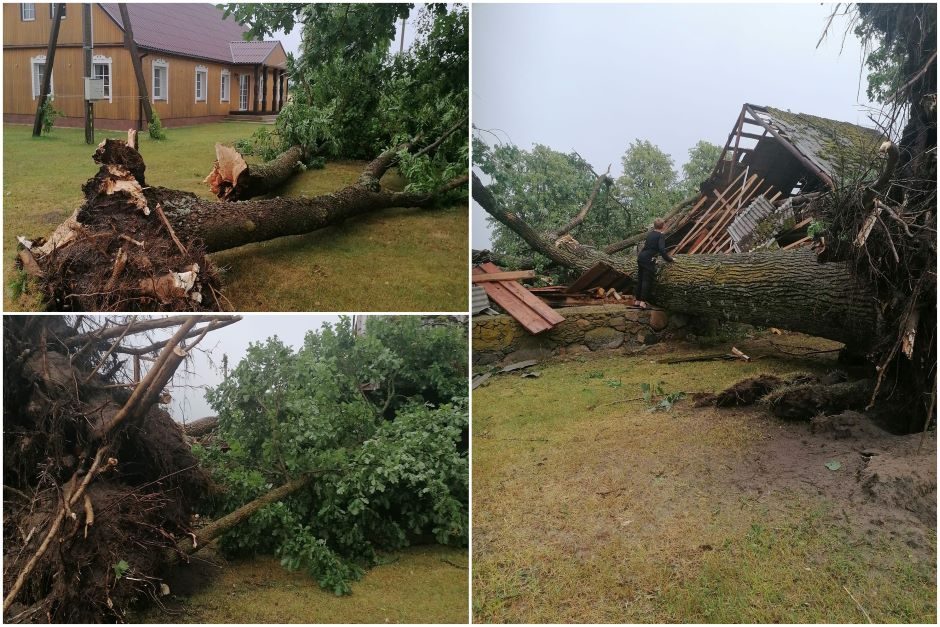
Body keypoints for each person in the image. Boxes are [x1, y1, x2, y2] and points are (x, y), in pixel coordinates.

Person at [635, 217, 674, 309]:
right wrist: (670, 259)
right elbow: (661, 250)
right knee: (646, 280)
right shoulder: (660, 235)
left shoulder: (650, 234)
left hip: (641, 257)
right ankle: (643, 302)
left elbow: (647, 247)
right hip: (648, 259)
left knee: (640, 279)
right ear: (663, 226)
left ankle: (637, 300)